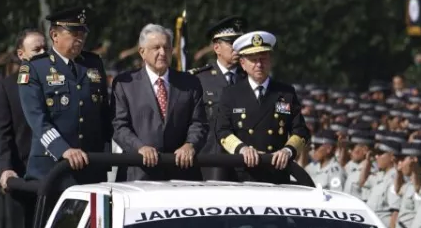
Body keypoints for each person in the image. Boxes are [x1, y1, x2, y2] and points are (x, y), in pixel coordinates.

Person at [18, 6, 112, 190]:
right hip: (52, 169)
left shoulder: (93, 64)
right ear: (54, 35)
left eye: (83, 32)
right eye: (74, 32)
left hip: (91, 166)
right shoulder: (35, 68)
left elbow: (103, 114)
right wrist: (63, 150)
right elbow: (38, 120)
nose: (80, 38)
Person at [111, 23, 208, 182]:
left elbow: (199, 123)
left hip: (181, 173)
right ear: (142, 52)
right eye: (156, 48)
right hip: (139, 173)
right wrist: (139, 148)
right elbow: (119, 126)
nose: (162, 53)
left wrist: (190, 145)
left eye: (167, 48)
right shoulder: (125, 84)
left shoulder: (190, 83)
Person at [211, 30, 310, 183]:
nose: (259, 64)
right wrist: (242, 149)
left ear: (271, 61)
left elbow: (301, 131)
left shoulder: (285, 93)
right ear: (243, 64)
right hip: (241, 175)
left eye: (263, 58)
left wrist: (287, 151)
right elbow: (222, 131)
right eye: (253, 59)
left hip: (276, 174)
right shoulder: (231, 94)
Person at [0, 28, 45, 228]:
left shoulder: (57, 82)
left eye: (45, 48)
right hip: (21, 174)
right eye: (37, 49)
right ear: (21, 54)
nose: (43, 53)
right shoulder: (7, 87)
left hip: (53, 175)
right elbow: (1, 133)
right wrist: (6, 168)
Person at [191, 15, 246, 181]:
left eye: (240, 43)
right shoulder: (199, 80)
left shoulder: (249, 79)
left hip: (243, 164)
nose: (237, 48)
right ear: (217, 48)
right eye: (232, 43)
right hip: (208, 165)